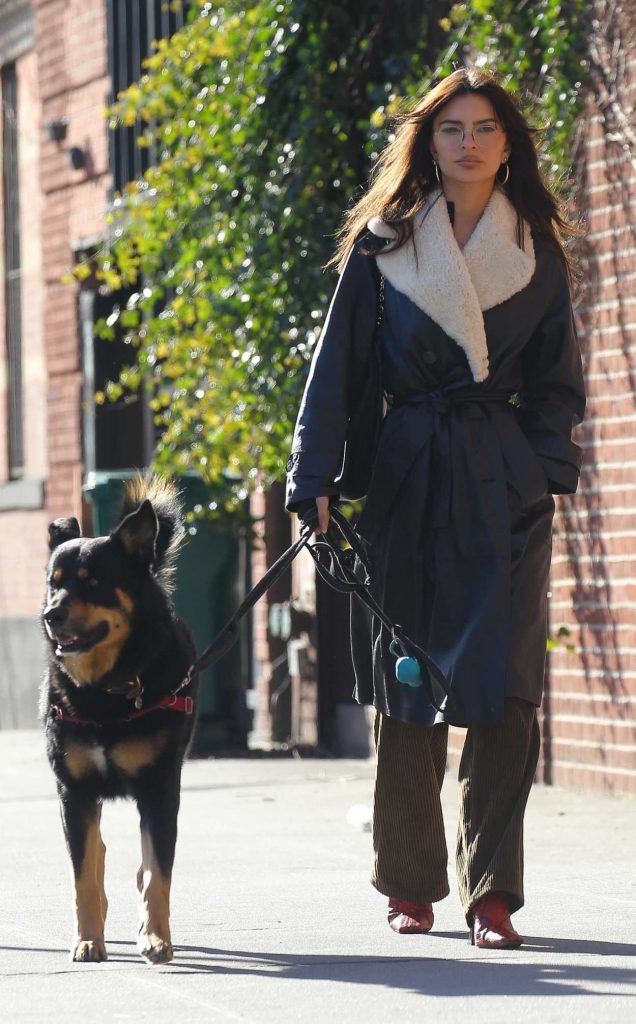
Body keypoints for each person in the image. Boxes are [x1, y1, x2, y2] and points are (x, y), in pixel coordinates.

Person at [285, 67, 585, 949]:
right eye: (451, 128)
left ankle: (492, 893)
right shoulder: (384, 247)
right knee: (405, 680)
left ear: (508, 142)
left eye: (484, 127)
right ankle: (411, 883)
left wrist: (536, 470)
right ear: (430, 141)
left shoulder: (538, 251)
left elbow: (560, 385)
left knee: (506, 690)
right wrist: (316, 477)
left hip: (504, 490)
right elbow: (335, 371)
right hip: (409, 477)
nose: (468, 143)